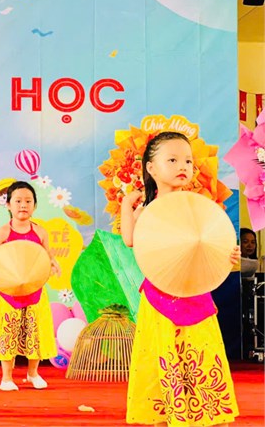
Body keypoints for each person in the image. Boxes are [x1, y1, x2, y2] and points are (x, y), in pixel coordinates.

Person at [121, 132, 240, 426]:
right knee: (164, 358)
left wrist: (228, 253)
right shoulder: (147, 210)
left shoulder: (198, 206)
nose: (182, 166)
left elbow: (212, 243)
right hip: (159, 298)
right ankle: (168, 415)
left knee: (202, 356)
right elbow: (131, 240)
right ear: (151, 168)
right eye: (172, 160)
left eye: (187, 160)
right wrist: (126, 205)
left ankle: (207, 414)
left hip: (196, 294)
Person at [0, 181, 60, 391]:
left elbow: (46, 257)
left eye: (28, 201)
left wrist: (53, 264)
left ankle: (33, 373)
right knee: (8, 331)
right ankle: (6, 378)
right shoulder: (2, 232)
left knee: (34, 331)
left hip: (34, 289)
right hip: (8, 291)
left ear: (34, 205)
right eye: (18, 201)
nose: (23, 205)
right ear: (8, 205)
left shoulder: (40, 232)